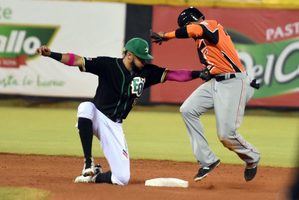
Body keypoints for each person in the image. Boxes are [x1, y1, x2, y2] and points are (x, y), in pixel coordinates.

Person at [36, 37, 207, 185]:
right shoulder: (108, 65)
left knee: (122, 178)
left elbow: (175, 75)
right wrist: (51, 54)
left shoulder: (147, 72)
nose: (144, 62)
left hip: (115, 126)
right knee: (85, 107)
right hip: (97, 116)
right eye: (141, 58)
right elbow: (77, 60)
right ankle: (88, 162)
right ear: (129, 55)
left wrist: (200, 74)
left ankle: (94, 176)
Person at [151, 7, 260, 182]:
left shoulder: (210, 24)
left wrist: (166, 35)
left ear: (191, 21)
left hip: (233, 82)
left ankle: (252, 157)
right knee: (188, 109)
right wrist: (208, 72)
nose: (187, 30)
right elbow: (216, 61)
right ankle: (207, 160)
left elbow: (195, 29)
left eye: (186, 25)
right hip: (216, 82)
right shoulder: (201, 43)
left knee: (226, 135)